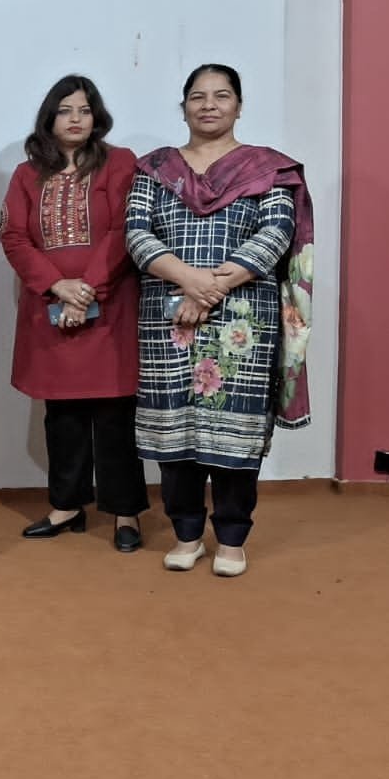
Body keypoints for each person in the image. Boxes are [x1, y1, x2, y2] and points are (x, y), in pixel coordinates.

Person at [126, 63, 315, 577]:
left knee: (236, 429)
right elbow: (137, 234)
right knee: (175, 429)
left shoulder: (267, 169)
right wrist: (190, 281)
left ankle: (232, 538)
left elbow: (276, 233)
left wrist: (210, 288)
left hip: (242, 320)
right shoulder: (154, 169)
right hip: (168, 317)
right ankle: (186, 533)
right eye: (198, 96)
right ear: (183, 106)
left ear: (239, 105)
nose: (209, 105)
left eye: (222, 95)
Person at [0, 75, 147, 552]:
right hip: (49, 309)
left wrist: (85, 291)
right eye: (65, 110)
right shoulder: (26, 174)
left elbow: (125, 229)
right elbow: (13, 237)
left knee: (115, 416)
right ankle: (67, 505)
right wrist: (57, 286)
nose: (76, 118)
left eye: (84, 110)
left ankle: (126, 512)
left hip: (112, 312)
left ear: (96, 117)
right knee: (62, 416)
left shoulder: (120, 163)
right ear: (49, 118)